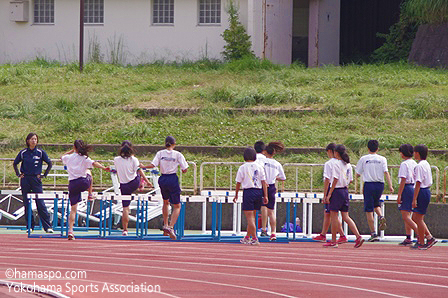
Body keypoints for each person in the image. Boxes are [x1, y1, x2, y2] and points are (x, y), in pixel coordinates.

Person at [62, 140, 110, 240]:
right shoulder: (84, 158)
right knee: (89, 171)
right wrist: (104, 168)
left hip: (72, 184)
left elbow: (62, 156)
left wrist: (72, 151)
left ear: (74, 147)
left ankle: (70, 230)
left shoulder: (68, 158)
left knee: (73, 209)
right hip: (83, 183)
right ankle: (90, 194)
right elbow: (94, 163)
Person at [142, 136, 188, 240]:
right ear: (174, 144)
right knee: (177, 205)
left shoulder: (160, 153)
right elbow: (185, 169)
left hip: (162, 178)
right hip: (172, 178)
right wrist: (181, 168)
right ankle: (171, 227)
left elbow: (153, 165)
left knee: (165, 202)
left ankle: (166, 225)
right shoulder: (177, 154)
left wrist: (142, 166)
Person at [323, 145, 364, 248]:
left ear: (336, 153)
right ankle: (358, 236)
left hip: (337, 191)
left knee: (334, 216)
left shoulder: (336, 164)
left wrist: (329, 194)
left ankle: (333, 240)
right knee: (346, 216)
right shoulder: (348, 164)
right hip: (345, 190)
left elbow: (335, 179)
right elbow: (350, 180)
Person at [13, 133, 53, 233]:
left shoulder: (40, 152)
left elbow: (49, 163)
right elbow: (15, 163)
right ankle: (30, 226)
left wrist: (44, 175)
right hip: (25, 179)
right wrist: (18, 174)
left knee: (40, 202)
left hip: (36, 179)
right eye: (32, 139)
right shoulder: (23, 153)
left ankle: (47, 227)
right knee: (27, 203)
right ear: (28, 141)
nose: (33, 141)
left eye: (35, 139)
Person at [355, 140, 394, 242]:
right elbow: (386, 172)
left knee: (369, 210)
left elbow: (358, 173)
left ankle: (373, 233)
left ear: (368, 148)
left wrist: (355, 180)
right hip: (380, 184)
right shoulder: (382, 159)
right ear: (377, 149)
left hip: (369, 184)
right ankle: (381, 216)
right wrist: (390, 185)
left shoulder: (364, 159)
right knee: (376, 204)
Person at [113, 141, 152, 236]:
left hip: (124, 185)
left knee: (125, 208)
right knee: (138, 173)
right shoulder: (134, 159)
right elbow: (140, 171)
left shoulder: (116, 159)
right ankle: (141, 184)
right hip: (134, 183)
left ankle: (125, 230)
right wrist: (147, 181)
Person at [233, 147, 268, 245]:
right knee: (252, 216)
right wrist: (265, 196)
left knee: (250, 217)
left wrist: (236, 195)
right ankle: (247, 237)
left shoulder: (243, 167)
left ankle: (255, 238)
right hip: (258, 192)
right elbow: (264, 182)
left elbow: (238, 182)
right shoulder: (259, 167)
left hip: (248, 192)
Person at [313, 143, 347, 244]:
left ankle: (340, 235)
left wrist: (325, 195)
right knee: (329, 213)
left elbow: (327, 180)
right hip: (343, 189)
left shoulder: (330, 163)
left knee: (332, 214)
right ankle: (324, 234)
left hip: (332, 189)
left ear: (330, 151)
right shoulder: (344, 163)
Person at [410, 145, 438, 250]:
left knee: (418, 218)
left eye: (415, 152)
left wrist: (414, 199)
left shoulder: (419, 166)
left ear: (417, 153)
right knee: (415, 217)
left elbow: (418, 182)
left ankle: (422, 241)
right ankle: (428, 237)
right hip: (425, 190)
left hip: (422, 191)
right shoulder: (426, 164)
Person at [260, 141, 286, 241]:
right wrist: (275, 178)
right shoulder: (277, 164)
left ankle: (263, 229)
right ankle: (273, 232)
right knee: (271, 211)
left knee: (263, 208)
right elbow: (283, 177)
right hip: (272, 186)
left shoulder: (262, 162)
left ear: (266, 152)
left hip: (263, 185)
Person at [396, 144, 418, 246]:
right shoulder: (414, 163)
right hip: (413, 187)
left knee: (405, 215)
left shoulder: (404, 164)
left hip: (407, 188)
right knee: (408, 214)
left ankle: (420, 233)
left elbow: (403, 179)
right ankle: (408, 237)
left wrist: (399, 194)